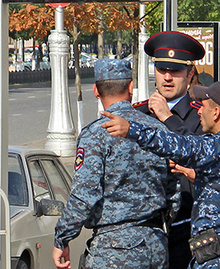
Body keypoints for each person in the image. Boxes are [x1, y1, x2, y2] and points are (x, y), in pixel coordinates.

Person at [101, 81, 220, 268]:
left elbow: (182, 146)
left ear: (216, 113)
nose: (199, 111)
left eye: (203, 106)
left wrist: (131, 130)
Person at [53, 59, 177, 269]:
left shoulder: (96, 134)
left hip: (114, 248)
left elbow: (84, 194)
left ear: (95, 91)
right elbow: (174, 191)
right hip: (155, 245)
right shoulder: (158, 129)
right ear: (131, 87)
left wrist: (62, 238)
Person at [132, 31, 205, 269]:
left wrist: (167, 117)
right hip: (140, 232)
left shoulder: (202, 116)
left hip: (185, 229)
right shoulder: (137, 114)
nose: (167, 78)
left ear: (190, 74)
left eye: (175, 71)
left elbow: (201, 158)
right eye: (162, 69)